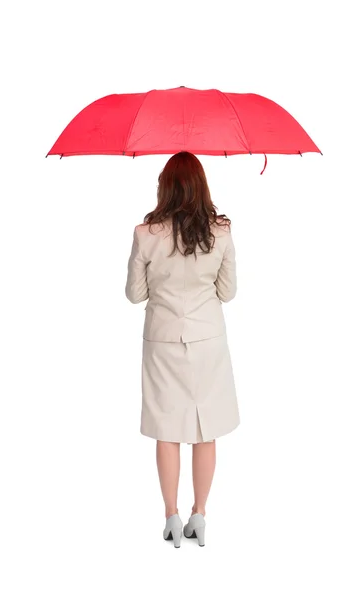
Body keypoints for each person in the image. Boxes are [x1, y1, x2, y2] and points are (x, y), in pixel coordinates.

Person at [125, 151, 239, 548]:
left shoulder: (145, 233)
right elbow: (228, 292)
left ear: (165, 186)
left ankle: (171, 516)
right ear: (202, 186)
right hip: (208, 342)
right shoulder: (221, 232)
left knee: (167, 430)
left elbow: (134, 295)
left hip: (162, 341)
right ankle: (200, 514)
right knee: (205, 430)